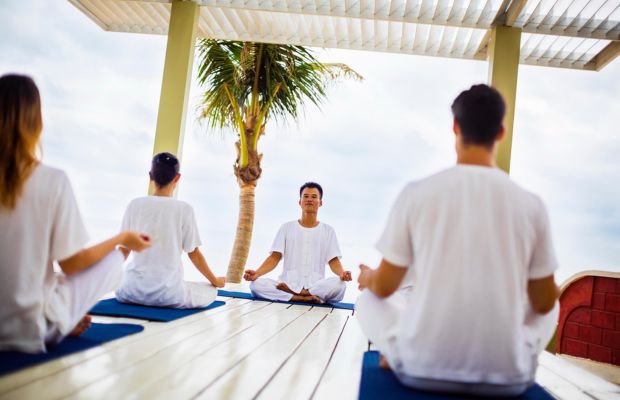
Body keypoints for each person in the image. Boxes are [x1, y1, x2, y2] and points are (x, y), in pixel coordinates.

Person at [356, 84, 560, 397]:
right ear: (500, 133)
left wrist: (366, 277)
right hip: (506, 379)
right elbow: (544, 302)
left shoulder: (417, 193)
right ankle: (508, 356)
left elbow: (384, 286)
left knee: (368, 300)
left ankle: (396, 356)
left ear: (455, 127)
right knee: (553, 307)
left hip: (421, 369)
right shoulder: (531, 204)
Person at [0, 74, 151, 353]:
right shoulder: (51, 180)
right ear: (37, 122)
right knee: (113, 261)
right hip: (29, 329)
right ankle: (64, 320)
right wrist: (123, 239)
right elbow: (71, 264)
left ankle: (64, 317)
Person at [115, 152, 226, 309]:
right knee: (210, 290)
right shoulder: (184, 209)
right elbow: (194, 254)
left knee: (122, 281)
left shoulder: (135, 204)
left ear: (150, 176)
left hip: (129, 292)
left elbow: (124, 250)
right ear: (177, 177)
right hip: (168, 295)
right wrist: (216, 281)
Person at [244, 182, 352, 303]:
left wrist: (342, 274)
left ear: (320, 203)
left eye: (314, 197)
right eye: (305, 196)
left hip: (315, 286)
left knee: (340, 285)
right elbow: (274, 257)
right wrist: (256, 274)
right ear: (300, 202)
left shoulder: (328, 231)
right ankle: (299, 297)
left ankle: (303, 293)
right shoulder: (286, 228)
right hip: (287, 285)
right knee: (255, 285)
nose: (309, 199)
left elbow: (333, 260)